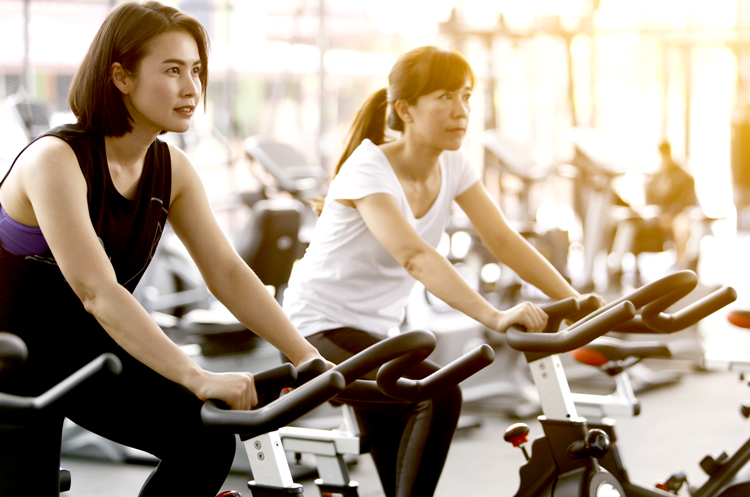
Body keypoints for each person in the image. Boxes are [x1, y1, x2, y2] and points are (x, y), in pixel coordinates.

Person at [0, 2, 327, 496]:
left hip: (85, 355)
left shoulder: (171, 170)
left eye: (195, 70)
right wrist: (196, 377)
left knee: (204, 439)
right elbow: (97, 292)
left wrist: (308, 358)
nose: (191, 87)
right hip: (9, 361)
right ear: (121, 77)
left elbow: (227, 273)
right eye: (172, 70)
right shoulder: (56, 159)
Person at [282, 46, 589, 497]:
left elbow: (502, 240)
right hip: (314, 333)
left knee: (402, 468)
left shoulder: (454, 163)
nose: (461, 110)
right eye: (445, 96)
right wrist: (495, 316)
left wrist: (576, 301)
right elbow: (416, 256)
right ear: (404, 109)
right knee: (437, 394)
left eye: (466, 96)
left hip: (374, 338)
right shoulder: (368, 168)